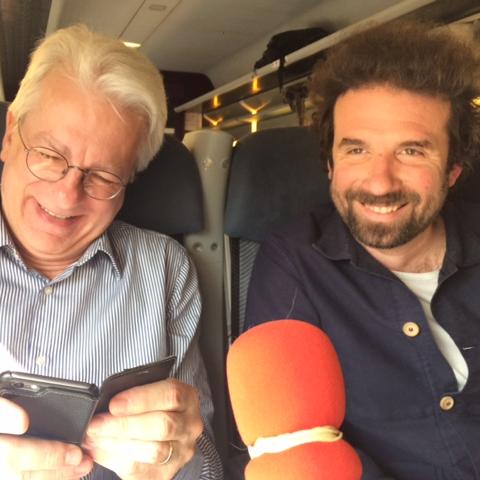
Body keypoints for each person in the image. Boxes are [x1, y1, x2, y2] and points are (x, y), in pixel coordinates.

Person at [246, 20, 480, 480]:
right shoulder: (294, 262)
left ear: (453, 169)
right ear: (330, 164)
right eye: (357, 150)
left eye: (412, 151)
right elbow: (297, 448)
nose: (379, 182)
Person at [0, 24, 223, 479]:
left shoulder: (165, 269)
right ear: (9, 135)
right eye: (48, 153)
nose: (66, 197)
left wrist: (175, 462)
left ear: (130, 182)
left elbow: (207, 463)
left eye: (102, 176)